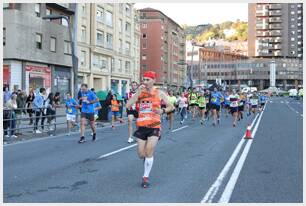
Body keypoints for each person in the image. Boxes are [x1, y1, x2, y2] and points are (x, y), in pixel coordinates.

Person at [125, 71, 174, 188]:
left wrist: (162, 111)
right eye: (143, 80)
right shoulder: (140, 93)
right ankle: (147, 160)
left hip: (155, 125)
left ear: (153, 80)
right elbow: (127, 105)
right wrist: (137, 93)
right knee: (141, 154)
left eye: (147, 80)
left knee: (149, 150)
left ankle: (145, 177)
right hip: (141, 125)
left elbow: (171, 106)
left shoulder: (159, 93)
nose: (145, 82)